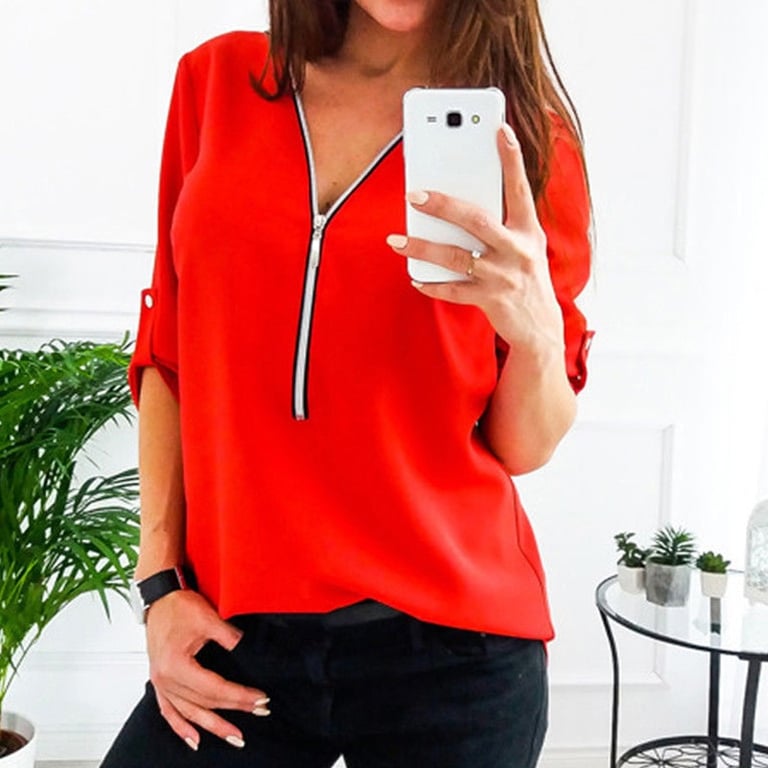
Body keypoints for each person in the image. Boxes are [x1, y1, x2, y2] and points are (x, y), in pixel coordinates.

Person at [101, 0, 593, 766]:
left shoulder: (526, 141)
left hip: (454, 653)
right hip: (235, 635)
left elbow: (524, 446)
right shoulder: (217, 82)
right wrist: (160, 583)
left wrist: (536, 328)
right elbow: (168, 351)